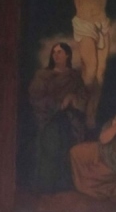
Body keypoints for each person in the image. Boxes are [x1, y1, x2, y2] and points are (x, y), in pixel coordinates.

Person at [26, 42, 87, 192]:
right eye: (54, 52)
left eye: (60, 52)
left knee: (68, 148)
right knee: (50, 147)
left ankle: (64, 185)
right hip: (49, 118)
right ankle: (46, 186)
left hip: (69, 119)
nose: (56, 55)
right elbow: (36, 97)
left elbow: (83, 96)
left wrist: (72, 98)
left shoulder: (74, 77)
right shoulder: (43, 75)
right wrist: (59, 104)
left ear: (67, 55)